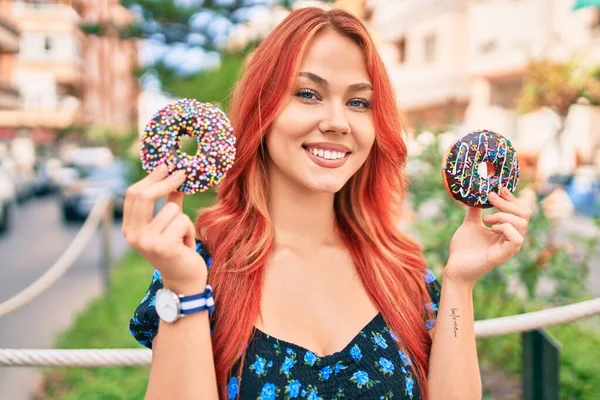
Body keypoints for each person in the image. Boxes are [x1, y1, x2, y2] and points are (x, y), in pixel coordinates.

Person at [124, 7, 531, 400]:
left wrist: (460, 284)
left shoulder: (403, 273)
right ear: (262, 111)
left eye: (358, 102)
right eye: (308, 94)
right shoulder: (198, 273)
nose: (338, 121)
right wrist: (183, 289)